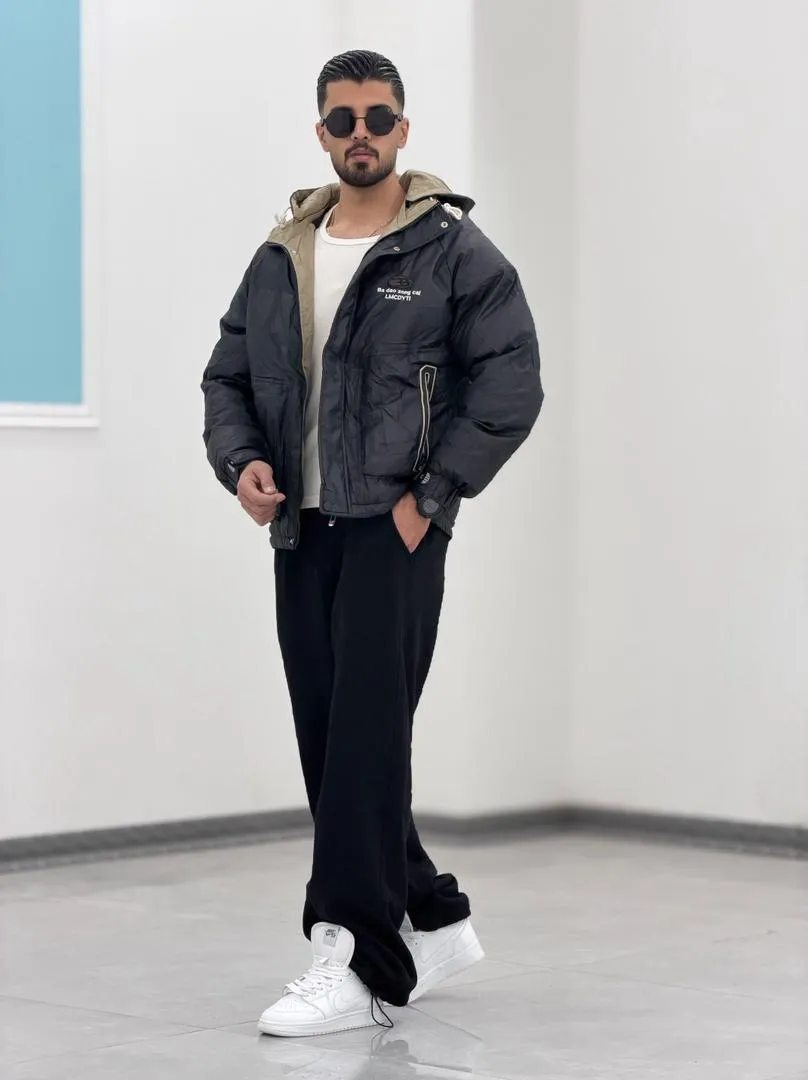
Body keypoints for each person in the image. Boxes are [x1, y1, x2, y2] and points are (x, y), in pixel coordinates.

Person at [202, 49, 543, 1038]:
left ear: (403, 128)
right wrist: (242, 463)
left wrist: (429, 499)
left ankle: (356, 956)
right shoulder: (283, 254)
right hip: (301, 529)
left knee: (360, 741)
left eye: (379, 118)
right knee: (333, 741)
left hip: (393, 534)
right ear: (321, 131)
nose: (362, 134)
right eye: (343, 119)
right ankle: (429, 917)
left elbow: (511, 382)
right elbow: (227, 377)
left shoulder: (450, 251)